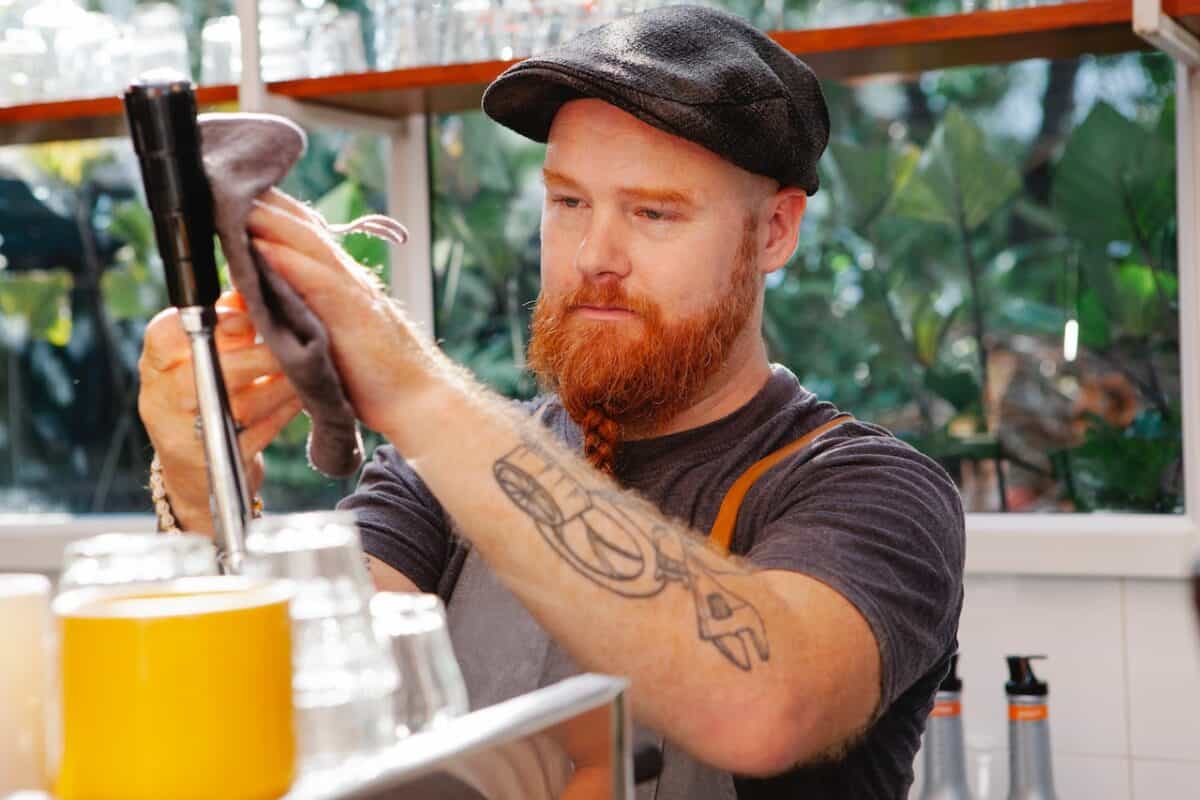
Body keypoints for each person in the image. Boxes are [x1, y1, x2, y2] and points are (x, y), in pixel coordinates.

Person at [137, 6, 964, 798]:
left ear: (776, 231)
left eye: (652, 211)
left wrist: (409, 382)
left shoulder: (874, 492)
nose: (595, 255)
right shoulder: (433, 481)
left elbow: (762, 706)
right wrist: (201, 479)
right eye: (568, 203)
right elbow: (306, 679)